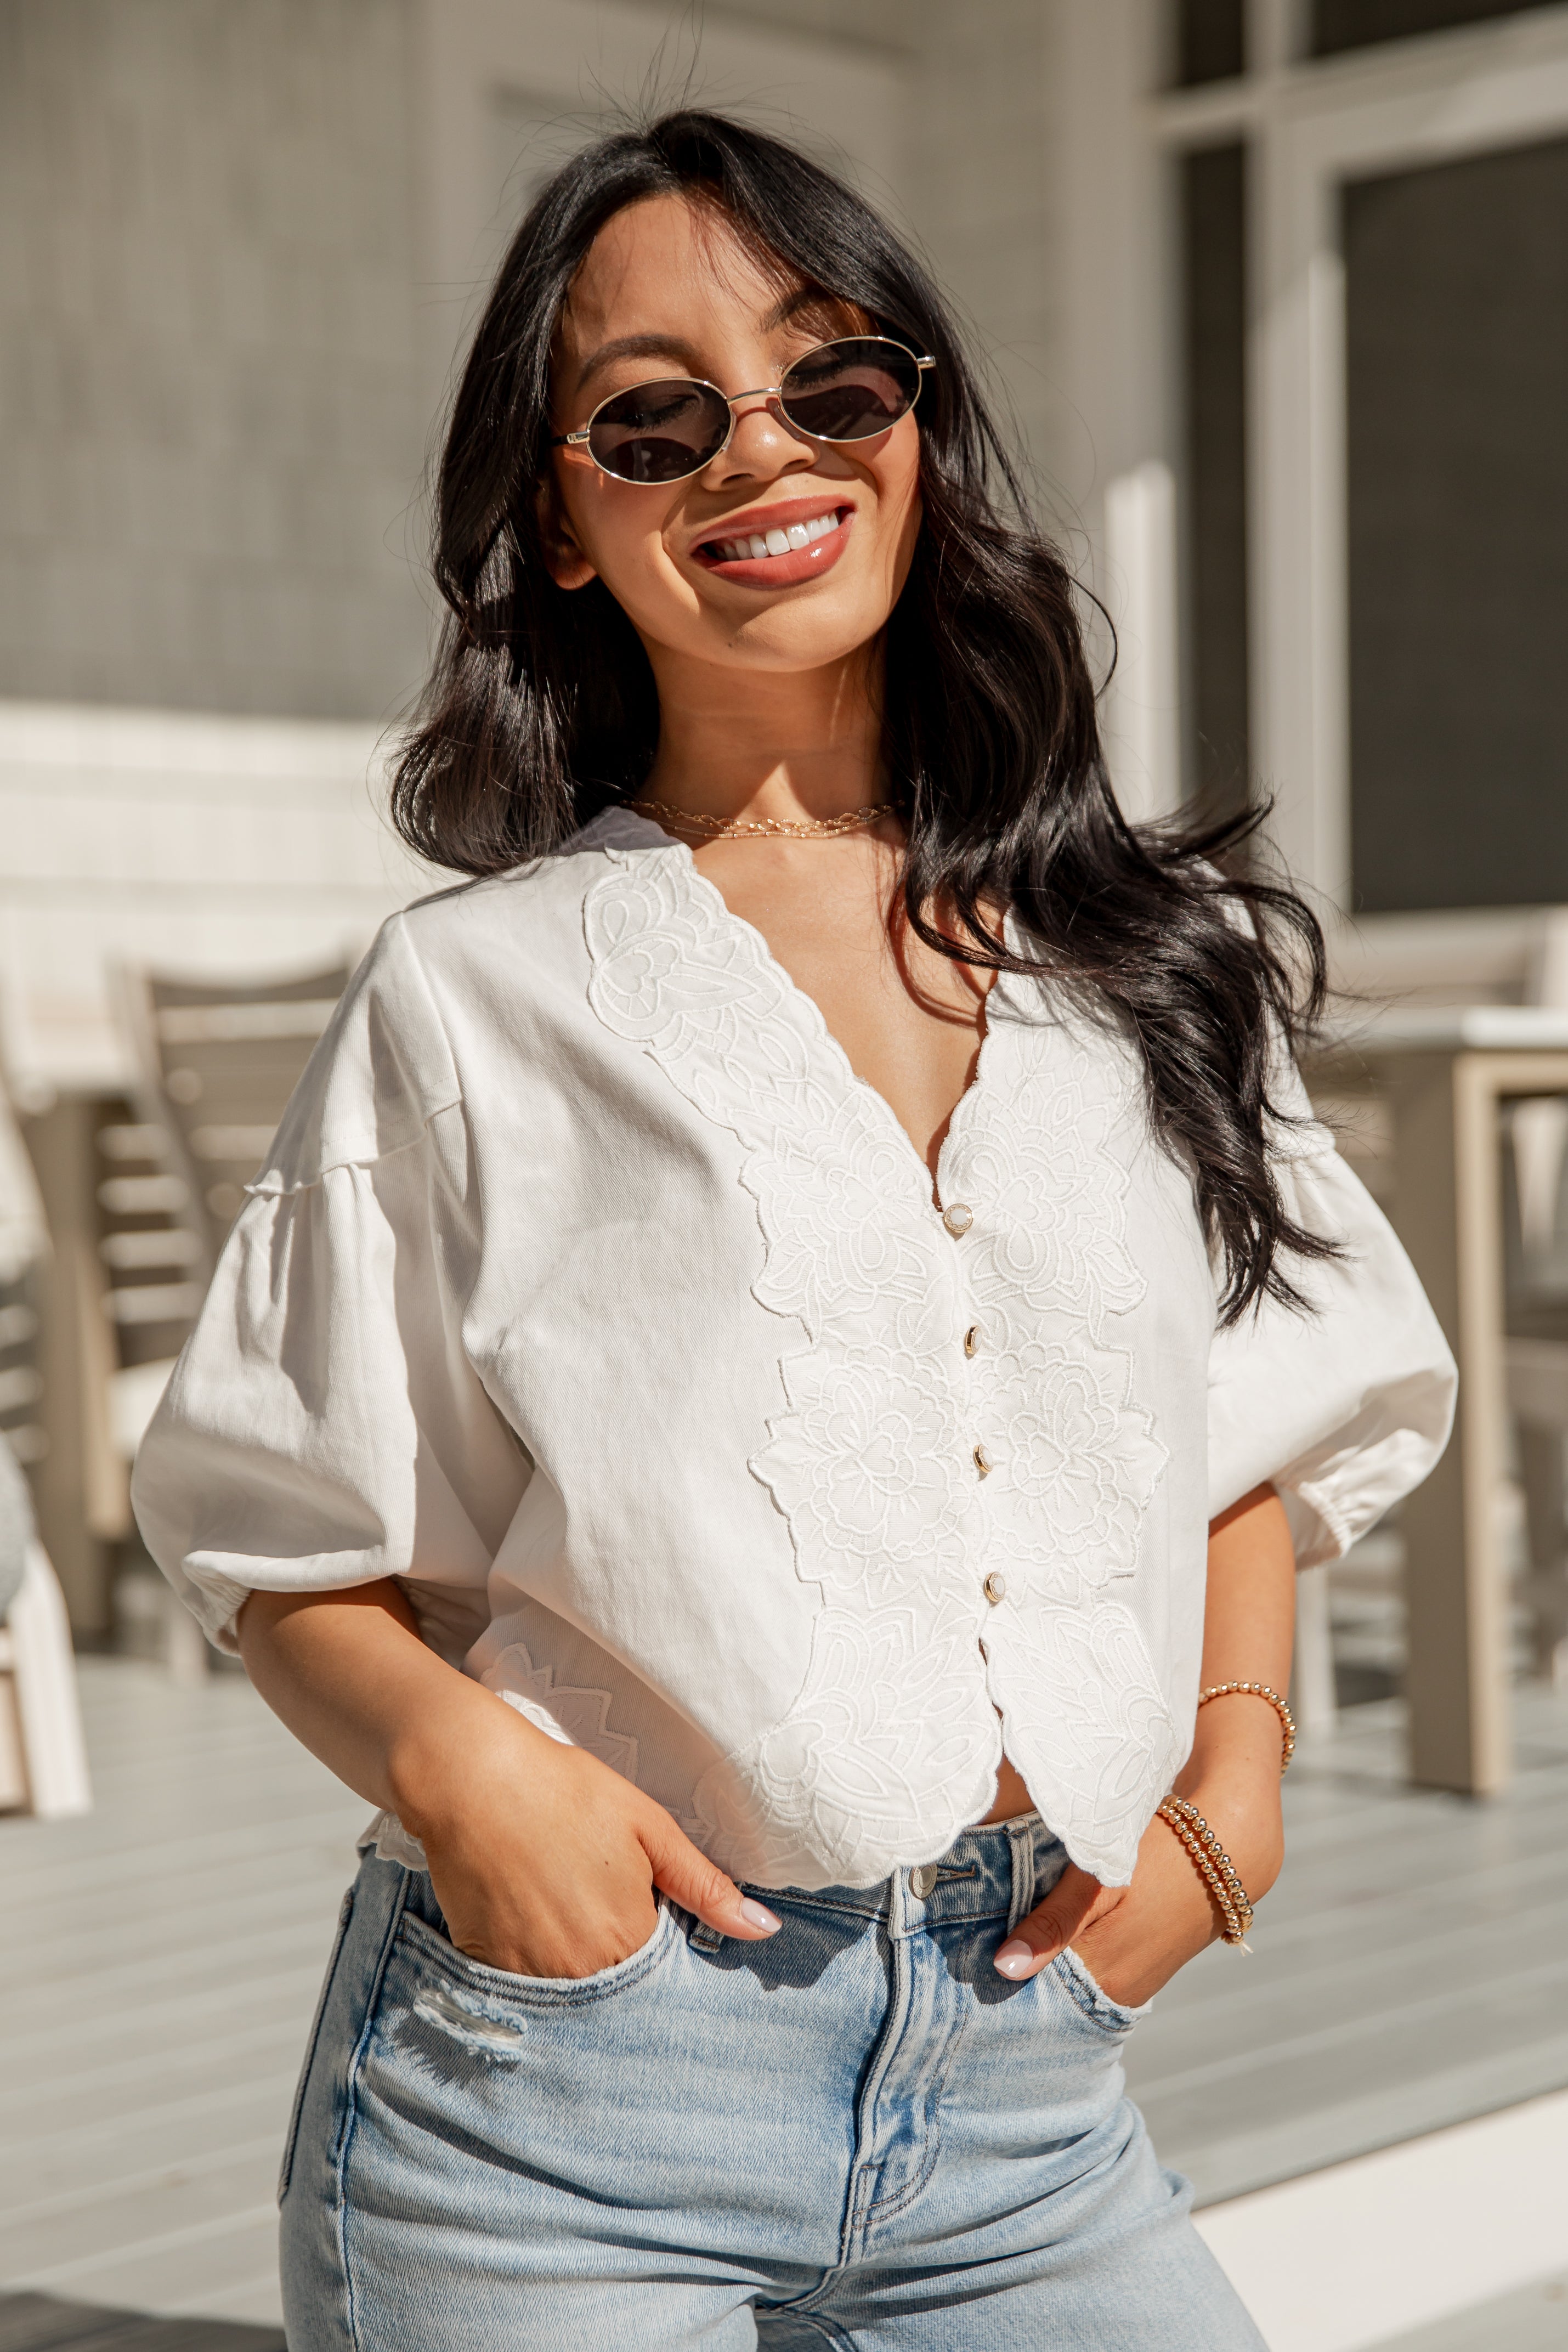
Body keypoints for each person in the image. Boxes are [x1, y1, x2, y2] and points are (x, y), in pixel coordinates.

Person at [132, 111, 1456, 2351]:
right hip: (560, 2103)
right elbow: (275, 1536)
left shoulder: (1146, 951)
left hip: (1029, 2095)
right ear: (564, 516)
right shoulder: (480, 994)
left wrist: (1234, 1783)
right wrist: (474, 1779)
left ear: (917, 430)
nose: (757, 449)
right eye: (653, 419)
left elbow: (1250, 1405)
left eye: (828, 382)